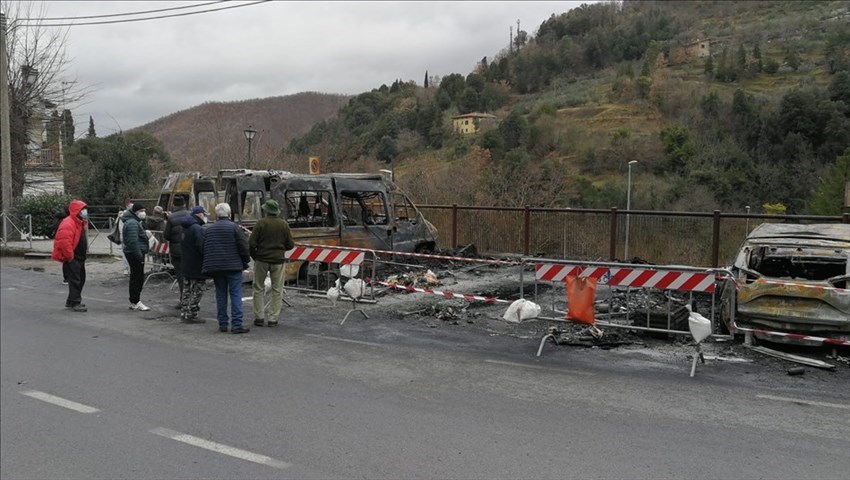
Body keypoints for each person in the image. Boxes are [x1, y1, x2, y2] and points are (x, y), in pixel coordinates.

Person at [202, 203, 250, 334]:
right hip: (233, 266)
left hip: (216, 267)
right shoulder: (234, 228)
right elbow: (244, 247)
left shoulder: (209, 230)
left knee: (220, 294)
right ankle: (237, 324)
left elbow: (204, 247)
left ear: (216, 214)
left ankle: (223, 324)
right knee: (236, 294)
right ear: (229, 214)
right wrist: (245, 261)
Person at [249, 199, 294, 327]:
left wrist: (255, 256)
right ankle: (273, 319)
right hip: (278, 261)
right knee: (277, 289)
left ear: (266, 210)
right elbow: (290, 244)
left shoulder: (260, 223)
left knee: (258, 288)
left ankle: (259, 317)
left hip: (262, 259)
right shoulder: (284, 224)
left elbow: (251, 243)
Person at [51, 200, 89, 312]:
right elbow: (64, 242)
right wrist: (70, 256)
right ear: (77, 211)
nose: (85, 211)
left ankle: (72, 300)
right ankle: (75, 302)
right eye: (82, 209)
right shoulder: (69, 223)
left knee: (80, 279)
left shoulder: (79, 222)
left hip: (79, 256)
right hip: (74, 257)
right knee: (76, 280)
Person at [179, 206, 209, 324]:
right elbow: (202, 247)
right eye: (204, 214)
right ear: (200, 214)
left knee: (187, 290)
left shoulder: (184, 227)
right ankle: (192, 314)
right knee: (197, 290)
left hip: (186, 263)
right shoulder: (197, 229)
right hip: (197, 264)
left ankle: (184, 312)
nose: (205, 217)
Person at [122, 203, 151, 311]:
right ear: (136, 212)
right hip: (135, 253)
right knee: (137, 278)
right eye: (142, 211)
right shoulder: (132, 223)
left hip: (133, 252)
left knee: (136, 277)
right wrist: (139, 255)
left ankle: (134, 301)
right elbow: (133, 241)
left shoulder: (133, 221)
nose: (144, 213)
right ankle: (135, 301)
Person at [164, 196, 191, 309]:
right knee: (191, 276)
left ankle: (183, 300)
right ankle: (193, 299)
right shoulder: (190, 215)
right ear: (184, 204)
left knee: (180, 277)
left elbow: (166, 235)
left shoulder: (171, 218)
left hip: (177, 252)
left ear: (174, 205)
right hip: (190, 250)